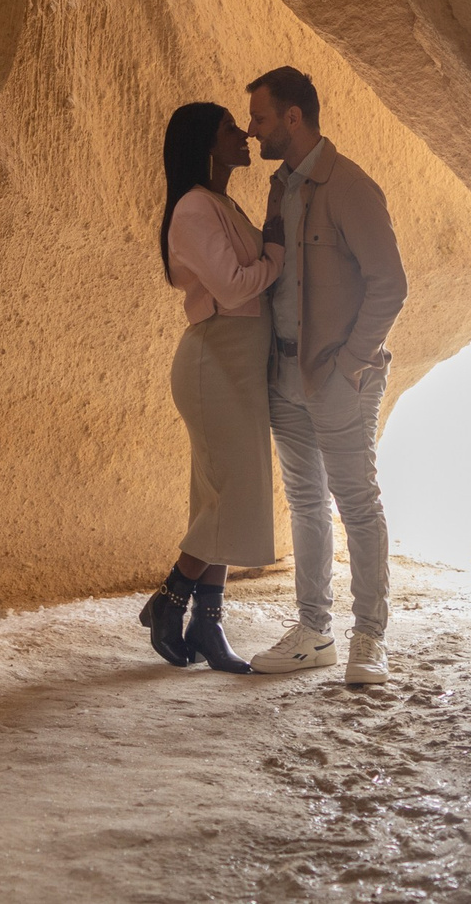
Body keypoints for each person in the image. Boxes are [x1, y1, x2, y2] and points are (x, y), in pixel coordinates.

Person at [240, 66, 406, 685]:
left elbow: (391, 284)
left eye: (260, 118)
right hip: (283, 374)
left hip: (338, 379)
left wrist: (351, 364)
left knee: (356, 504)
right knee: (305, 503)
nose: (252, 131)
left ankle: (370, 638)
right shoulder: (280, 187)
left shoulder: (350, 186)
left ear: (292, 118)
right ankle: (314, 631)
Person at [139, 101, 285, 672]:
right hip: (215, 364)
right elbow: (232, 287)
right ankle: (171, 599)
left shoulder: (220, 201)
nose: (244, 133)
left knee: (222, 497)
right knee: (234, 496)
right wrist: (275, 256)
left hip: (237, 366)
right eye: (230, 127)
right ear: (207, 142)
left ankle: (207, 624)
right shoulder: (196, 207)